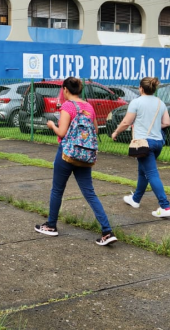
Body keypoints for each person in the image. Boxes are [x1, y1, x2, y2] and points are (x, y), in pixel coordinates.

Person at [35, 77, 117, 246]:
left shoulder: (67, 106)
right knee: (90, 192)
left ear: (65, 89)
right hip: (84, 155)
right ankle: (107, 231)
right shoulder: (89, 107)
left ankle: (51, 225)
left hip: (67, 154)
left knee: (57, 189)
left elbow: (62, 133)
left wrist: (51, 125)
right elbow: (94, 130)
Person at [111, 77, 170, 218]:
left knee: (151, 174)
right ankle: (135, 199)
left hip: (143, 144)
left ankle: (165, 206)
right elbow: (166, 122)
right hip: (158, 143)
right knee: (143, 171)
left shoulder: (136, 102)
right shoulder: (160, 103)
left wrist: (116, 132)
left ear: (141, 88)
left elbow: (126, 122)